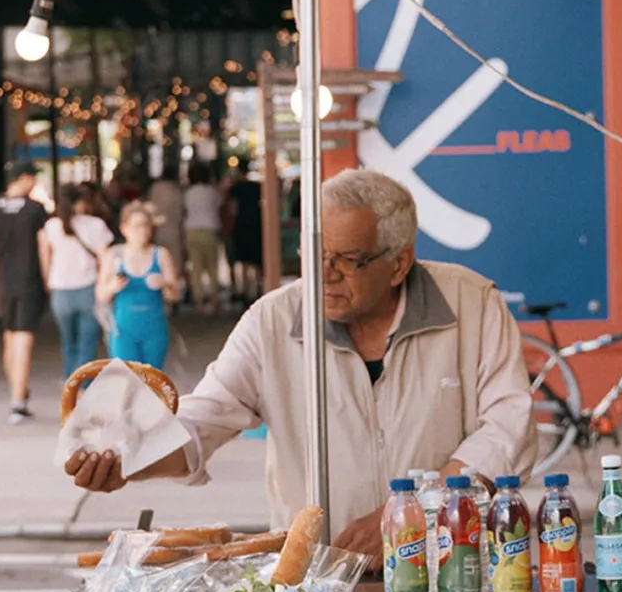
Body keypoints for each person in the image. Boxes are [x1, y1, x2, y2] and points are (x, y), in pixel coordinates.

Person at [65, 168, 537, 555]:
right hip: (317, 577)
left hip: (451, 566)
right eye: (314, 254)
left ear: (398, 263)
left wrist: (410, 515)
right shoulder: (273, 320)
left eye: (347, 260)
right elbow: (204, 417)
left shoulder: (471, 304)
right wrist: (130, 456)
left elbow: (507, 429)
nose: (324, 275)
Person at [0, 162, 49, 425]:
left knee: (9, 338)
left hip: (4, 285)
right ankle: (18, 402)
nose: (35, 183)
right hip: (29, 282)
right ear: (24, 178)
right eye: (33, 178)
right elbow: (44, 247)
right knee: (24, 340)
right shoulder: (35, 210)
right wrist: (46, 279)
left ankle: (16, 391)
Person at [96, 201, 180, 372]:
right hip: (123, 330)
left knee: (152, 377)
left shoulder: (161, 254)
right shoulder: (114, 255)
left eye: (146, 226)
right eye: (137, 226)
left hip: (154, 328)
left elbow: (175, 295)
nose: (142, 231)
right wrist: (113, 286)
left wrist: (163, 284)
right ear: (124, 228)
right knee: (126, 377)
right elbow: (100, 294)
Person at [43, 184, 113, 377]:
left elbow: (46, 259)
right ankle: (82, 384)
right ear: (81, 202)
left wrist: (48, 283)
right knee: (88, 341)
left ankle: (70, 381)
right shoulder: (95, 224)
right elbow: (106, 257)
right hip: (88, 288)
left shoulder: (51, 226)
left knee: (68, 341)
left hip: (60, 290)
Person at [182, 165, 225, 313]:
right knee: (213, 267)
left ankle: (198, 300)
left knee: (196, 268)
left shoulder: (188, 193)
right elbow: (220, 204)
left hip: (192, 231)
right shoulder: (212, 192)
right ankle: (214, 299)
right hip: (210, 231)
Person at [225, 166, 264, 304]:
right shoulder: (257, 187)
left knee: (244, 261)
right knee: (257, 260)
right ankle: (259, 287)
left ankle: (246, 291)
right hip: (257, 225)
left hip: (241, 225)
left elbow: (232, 209)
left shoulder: (235, 189)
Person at [145, 163, 185, 291]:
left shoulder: (155, 188)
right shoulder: (178, 191)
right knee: (175, 262)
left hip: (157, 229)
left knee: (157, 259)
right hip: (174, 229)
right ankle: (172, 289)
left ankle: (159, 286)